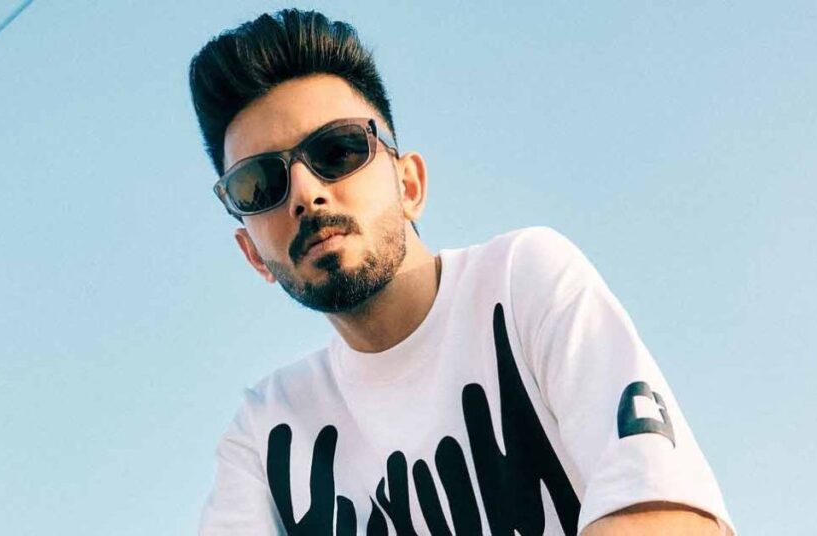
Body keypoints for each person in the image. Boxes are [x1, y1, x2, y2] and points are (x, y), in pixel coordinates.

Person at [189, 8, 734, 536]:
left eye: (338, 150)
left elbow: (672, 516)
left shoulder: (520, 281)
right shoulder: (267, 434)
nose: (306, 193)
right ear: (252, 253)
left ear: (409, 185)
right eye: (259, 185)